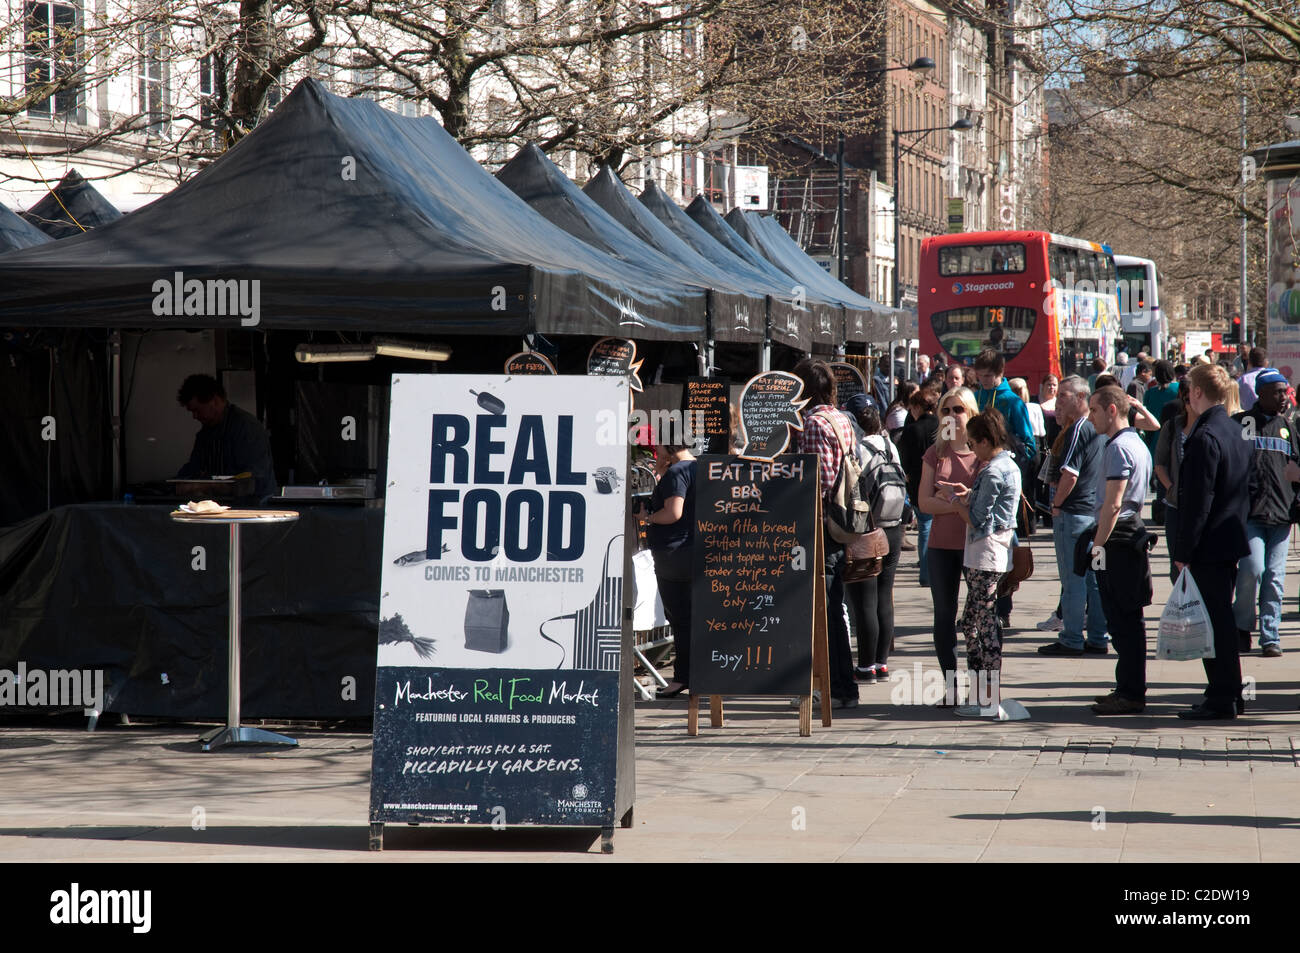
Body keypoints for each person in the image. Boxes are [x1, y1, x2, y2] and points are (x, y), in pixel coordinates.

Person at [1173, 363, 1253, 719]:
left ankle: (1222, 696)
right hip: (1229, 539)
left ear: (1197, 393)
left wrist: (1183, 551)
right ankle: (1227, 692)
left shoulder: (1205, 437)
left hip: (1208, 545)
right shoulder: (1235, 431)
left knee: (1212, 623)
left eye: (1190, 390)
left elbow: (1198, 502)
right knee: (1220, 620)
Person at [942, 408, 1021, 718]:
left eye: (974, 444)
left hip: (984, 552)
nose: (972, 449)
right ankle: (983, 695)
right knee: (974, 620)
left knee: (982, 623)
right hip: (996, 551)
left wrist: (954, 502)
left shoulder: (992, 470)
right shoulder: (1008, 465)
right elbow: (993, 505)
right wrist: (971, 493)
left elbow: (977, 521)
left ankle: (986, 697)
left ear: (987, 441)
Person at [793, 358, 860, 709]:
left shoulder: (815, 423)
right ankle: (841, 686)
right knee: (833, 606)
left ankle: (837, 688)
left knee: (827, 608)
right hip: (842, 519)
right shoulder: (842, 419)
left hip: (823, 522)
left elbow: (816, 480)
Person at [1088, 385, 1156, 715]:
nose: (1091, 417)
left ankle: (1130, 693)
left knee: (1122, 620)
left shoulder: (1118, 448)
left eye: (1094, 411)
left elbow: (1113, 504)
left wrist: (1096, 546)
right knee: (1128, 620)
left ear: (1111, 411)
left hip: (1118, 538)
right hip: (1130, 534)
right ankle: (1128, 687)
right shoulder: (1136, 443)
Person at [1038, 376, 1110, 656]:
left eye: (1063, 396)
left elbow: (1070, 474)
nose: (1058, 402)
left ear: (1081, 398)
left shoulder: (1079, 428)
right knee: (1091, 580)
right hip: (1091, 513)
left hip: (1075, 514)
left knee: (1073, 579)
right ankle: (1097, 637)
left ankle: (1071, 639)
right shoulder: (1094, 427)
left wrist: (1057, 504)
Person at [1231, 369, 1300, 658]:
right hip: (1251, 515)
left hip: (1281, 515)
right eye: (1277, 391)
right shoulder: (1244, 422)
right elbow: (1234, 461)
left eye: (1285, 391)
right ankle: (1242, 626)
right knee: (1252, 570)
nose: (1283, 396)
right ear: (1260, 393)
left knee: (1274, 576)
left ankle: (1270, 636)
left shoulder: (1288, 427)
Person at [919, 386, 981, 703]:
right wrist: (958, 505)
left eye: (958, 409)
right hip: (941, 546)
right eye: (946, 410)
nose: (952, 416)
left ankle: (980, 684)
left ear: (970, 413)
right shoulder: (936, 453)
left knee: (977, 617)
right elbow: (924, 502)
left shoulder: (982, 453)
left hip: (976, 547)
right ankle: (951, 685)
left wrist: (952, 500)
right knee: (944, 615)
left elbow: (983, 505)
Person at [844, 400, 905, 683]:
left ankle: (865, 666)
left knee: (864, 600)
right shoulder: (889, 444)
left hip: (868, 529)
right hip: (894, 527)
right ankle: (881, 663)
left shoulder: (857, 449)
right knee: (885, 595)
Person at [640, 442, 696, 697]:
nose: (656, 452)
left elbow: (674, 511)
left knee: (680, 620)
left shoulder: (677, 472)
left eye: (659, 447)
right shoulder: (700, 467)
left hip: (673, 554)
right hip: (694, 551)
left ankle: (682, 678)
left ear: (669, 446)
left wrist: (647, 518)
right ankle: (694, 675)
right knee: (692, 619)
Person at [176, 374, 276, 498]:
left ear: (215, 401)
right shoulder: (206, 433)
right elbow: (195, 466)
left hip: (252, 506)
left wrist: (205, 486)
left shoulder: (247, 428)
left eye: (197, 410)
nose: (195, 416)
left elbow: (252, 477)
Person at [896, 386, 940, 585]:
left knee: (925, 527)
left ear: (918, 407)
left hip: (917, 484)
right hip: (942, 483)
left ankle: (926, 574)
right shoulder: (942, 426)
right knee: (934, 527)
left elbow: (903, 459)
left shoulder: (911, 430)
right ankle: (938, 572)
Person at [1153, 392, 1196, 584]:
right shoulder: (1172, 427)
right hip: (1176, 506)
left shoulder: (1211, 426)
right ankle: (1182, 606)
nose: (1193, 404)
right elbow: (1159, 463)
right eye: (1188, 400)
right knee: (1177, 563)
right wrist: (1171, 487)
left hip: (1202, 508)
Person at [1238, 347, 1268, 412]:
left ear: (1249, 361)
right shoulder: (1274, 377)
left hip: (1248, 418)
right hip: (1270, 418)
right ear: (1266, 362)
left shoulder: (1242, 380)